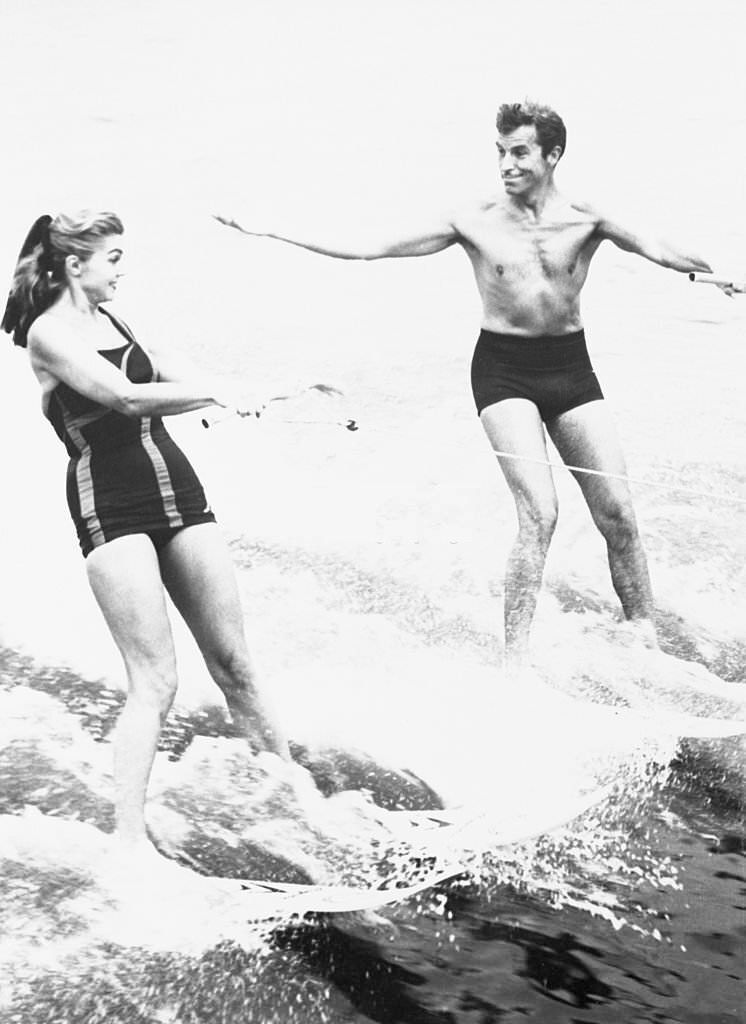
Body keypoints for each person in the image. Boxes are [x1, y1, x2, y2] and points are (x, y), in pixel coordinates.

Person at [215, 100, 716, 667]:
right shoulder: (473, 221)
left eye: (520, 152)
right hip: (503, 371)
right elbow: (369, 245)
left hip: (572, 368)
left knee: (618, 513)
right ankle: (517, 661)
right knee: (541, 514)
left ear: (553, 155)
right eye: (500, 152)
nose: (506, 164)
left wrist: (721, 270)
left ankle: (643, 640)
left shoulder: (586, 218)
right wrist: (271, 228)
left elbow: (664, 250)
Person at [2, 209, 304, 861]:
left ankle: (299, 808)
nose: (122, 268)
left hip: (176, 487)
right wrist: (213, 396)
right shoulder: (46, 335)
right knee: (156, 682)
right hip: (109, 502)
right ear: (74, 265)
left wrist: (250, 389)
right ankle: (130, 843)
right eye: (113, 257)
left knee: (237, 666)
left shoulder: (115, 320)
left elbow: (171, 367)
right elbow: (126, 396)